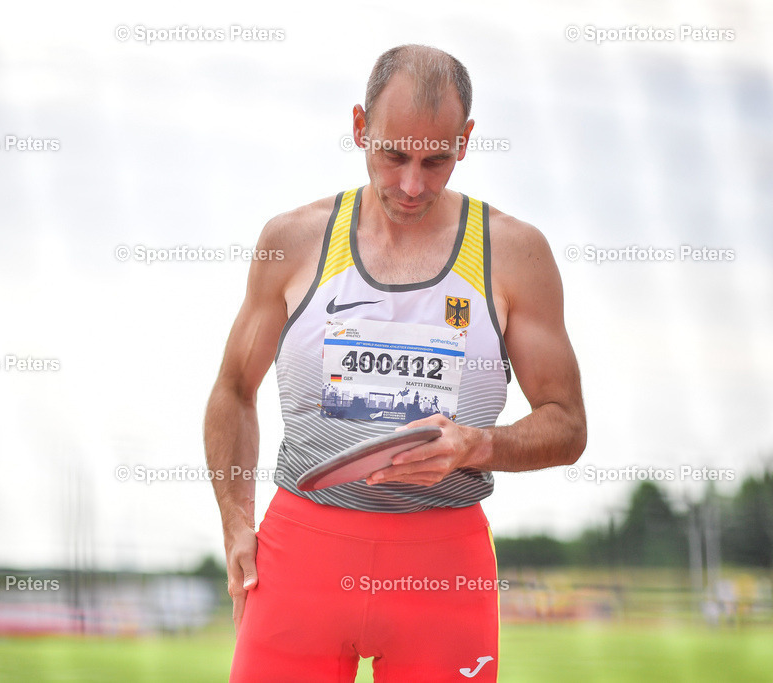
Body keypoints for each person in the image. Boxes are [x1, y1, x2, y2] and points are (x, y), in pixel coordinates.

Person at [204, 44, 586, 682]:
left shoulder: (516, 254)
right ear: (360, 127)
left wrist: (478, 445)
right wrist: (235, 521)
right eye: (394, 155)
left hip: (443, 563)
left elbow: (567, 424)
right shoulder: (292, 242)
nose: (412, 185)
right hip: (302, 552)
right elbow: (232, 391)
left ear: (465, 142)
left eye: (436, 161)